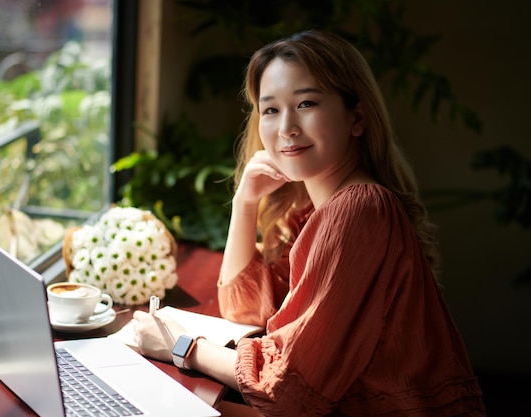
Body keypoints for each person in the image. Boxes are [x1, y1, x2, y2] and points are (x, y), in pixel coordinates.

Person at [132, 30, 487, 416]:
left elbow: (288, 388)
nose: (286, 127)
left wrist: (181, 346)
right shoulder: (316, 213)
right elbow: (245, 310)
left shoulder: (360, 210)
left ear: (357, 118)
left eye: (306, 103)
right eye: (270, 109)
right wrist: (244, 202)